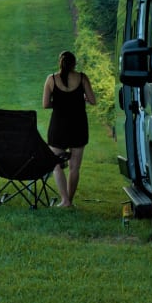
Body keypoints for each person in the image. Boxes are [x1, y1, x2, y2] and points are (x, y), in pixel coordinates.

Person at [42, 50, 96, 207]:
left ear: (60, 63)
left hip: (58, 126)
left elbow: (45, 104)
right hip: (78, 125)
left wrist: (59, 103)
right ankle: (70, 201)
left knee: (55, 164)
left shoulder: (51, 79)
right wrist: (81, 99)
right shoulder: (82, 78)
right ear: (74, 64)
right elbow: (93, 100)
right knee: (74, 167)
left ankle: (64, 200)